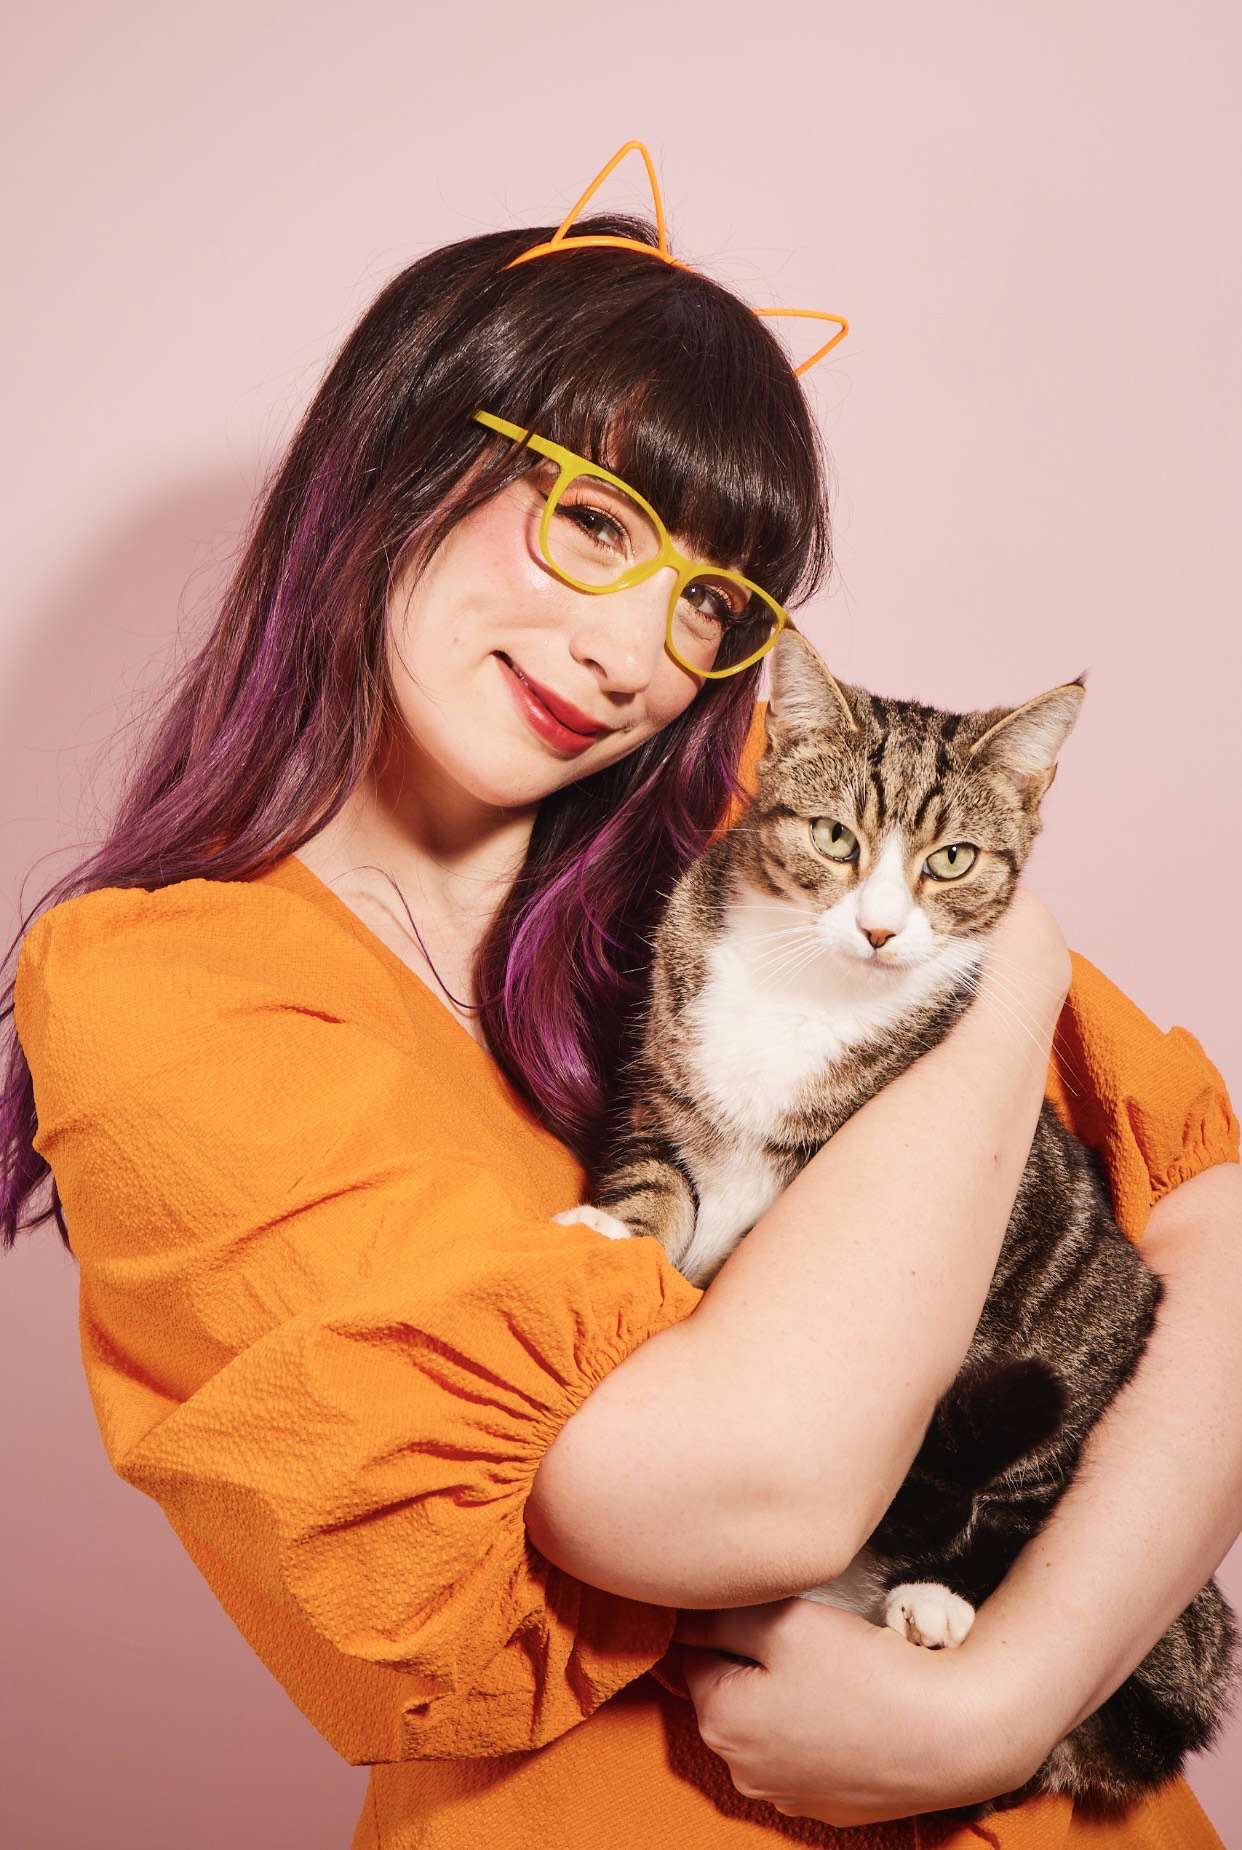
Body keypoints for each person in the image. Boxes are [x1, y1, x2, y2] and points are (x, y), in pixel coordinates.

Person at [5, 145, 1241, 1850]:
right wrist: (1012, 954)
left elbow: (1218, 1230)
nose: (633, 652)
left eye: (712, 603)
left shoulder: (780, 846)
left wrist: (1003, 1697)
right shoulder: (168, 983)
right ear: (396, 457)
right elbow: (743, 1491)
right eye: (594, 521)